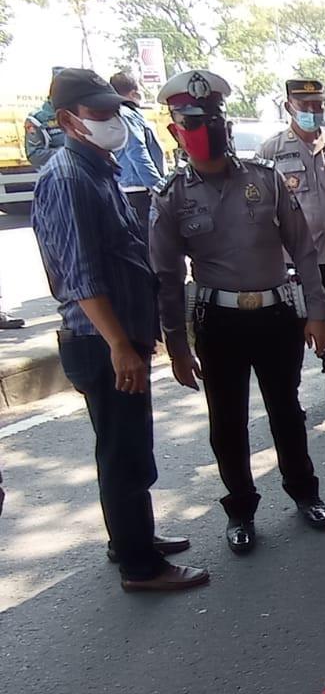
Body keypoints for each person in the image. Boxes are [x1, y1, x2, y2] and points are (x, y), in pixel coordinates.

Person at [30, 68, 208, 591]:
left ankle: (131, 538)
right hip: (100, 341)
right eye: (100, 115)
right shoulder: (67, 178)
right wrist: (118, 345)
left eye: (114, 112)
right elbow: (81, 275)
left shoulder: (97, 168)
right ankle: (140, 565)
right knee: (124, 453)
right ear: (68, 120)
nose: (113, 122)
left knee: (128, 446)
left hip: (119, 336)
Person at [150, 69, 325, 553]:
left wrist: (317, 311)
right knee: (226, 422)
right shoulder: (172, 197)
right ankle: (241, 509)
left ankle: (305, 493)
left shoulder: (266, 180)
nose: (208, 129)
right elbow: (167, 278)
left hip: (275, 317)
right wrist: (175, 347)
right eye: (194, 121)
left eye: (214, 118)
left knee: (287, 412)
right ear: (175, 130)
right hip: (219, 323)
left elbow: (303, 249)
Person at [256, 79, 325, 408]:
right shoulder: (271, 150)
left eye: (318, 105)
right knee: (294, 328)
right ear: (289, 107)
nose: (313, 112)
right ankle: (290, 395)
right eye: (305, 106)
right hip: (296, 261)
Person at [108, 71, 166, 220]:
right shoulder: (127, 114)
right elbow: (137, 151)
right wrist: (156, 185)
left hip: (134, 186)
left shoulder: (120, 113)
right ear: (134, 92)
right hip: (140, 189)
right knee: (151, 237)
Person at [24, 67, 68, 169]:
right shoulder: (37, 119)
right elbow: (34, 155)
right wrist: (69, 154)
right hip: (55, 173)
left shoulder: (80, 114)